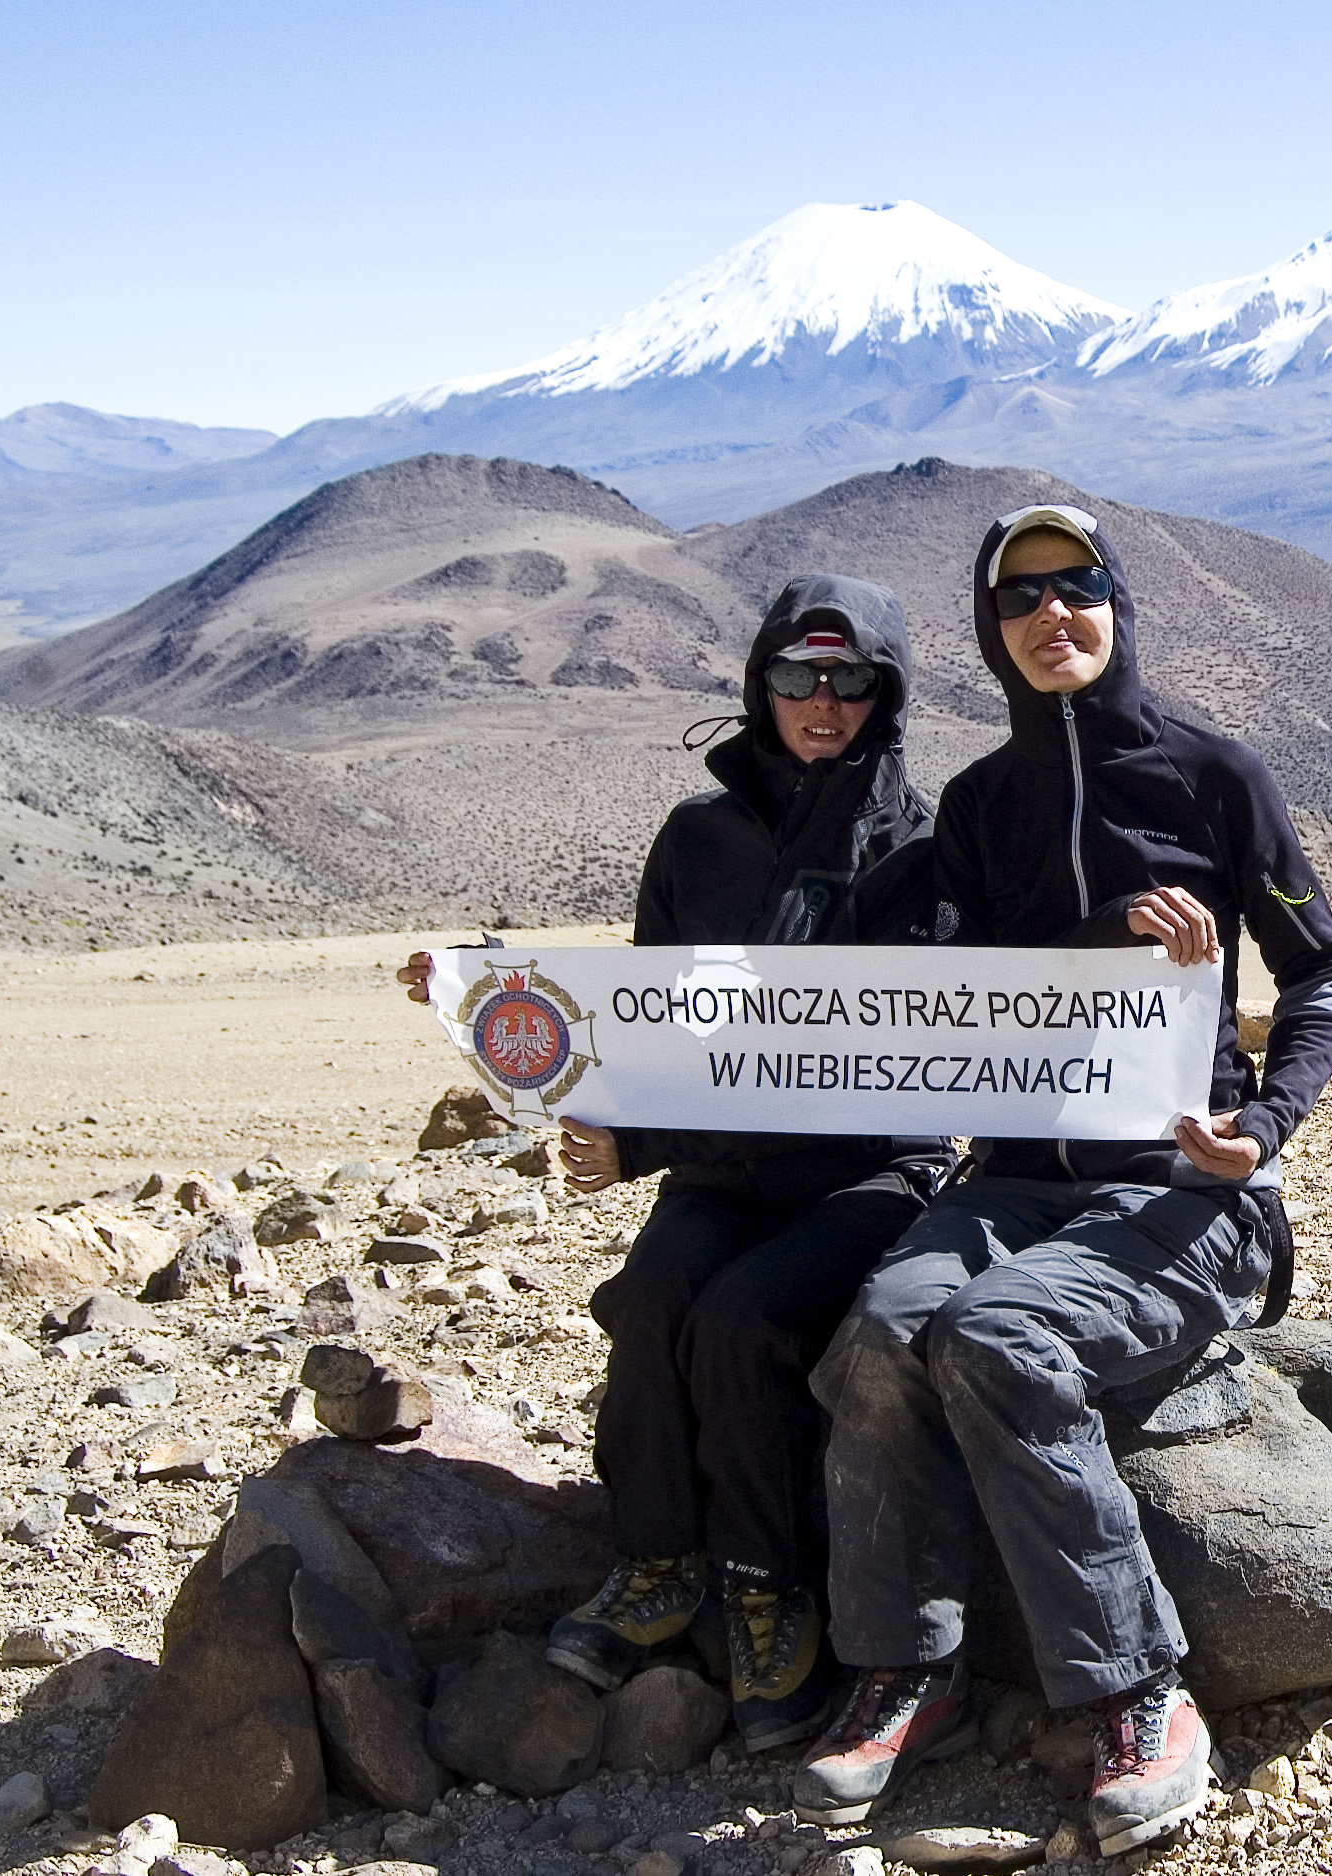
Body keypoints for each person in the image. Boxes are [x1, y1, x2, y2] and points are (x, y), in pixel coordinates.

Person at [792, 505, 1332, 1852]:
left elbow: (1319, 974)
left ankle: (1136, 1694)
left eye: (1077, 586)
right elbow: (974, 988)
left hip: (1183, 1193)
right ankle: (906, 1664)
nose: (1054, 615)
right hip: (1013, 1181)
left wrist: (1263, 1126)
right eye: (1021, 598)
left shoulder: (1217, 778)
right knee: (876, 1336)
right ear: (992, 634)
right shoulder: (984, 805)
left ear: (1116, 601)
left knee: (997, 1340)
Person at [396, 575, 953, 1752]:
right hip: (724, 1165)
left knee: (743, 1317)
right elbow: (654, 1023)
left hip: (869, 1169)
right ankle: (657, 1563)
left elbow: (907, 1049)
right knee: (651, 1295)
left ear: (884, 693)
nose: (821, 699)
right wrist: (482, 995)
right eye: (796, 675)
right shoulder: (697, 839)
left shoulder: (918, 848)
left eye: (849, 677)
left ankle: (765, 1585)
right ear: (758, 684)